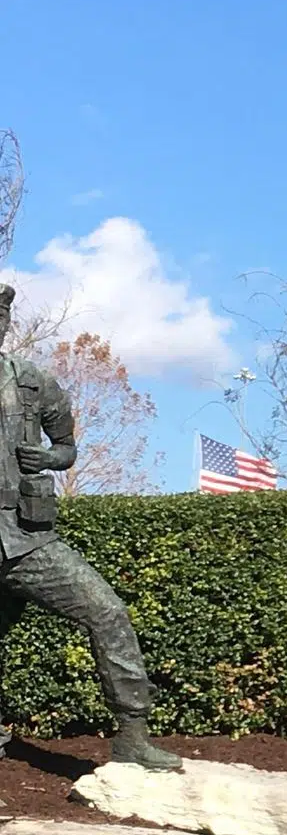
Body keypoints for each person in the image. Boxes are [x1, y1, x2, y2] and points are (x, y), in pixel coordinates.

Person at [0, 284, 180, 771]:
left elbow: (67, 447)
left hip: (28, 537)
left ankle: (132, 737)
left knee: (107, 611)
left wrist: (49, 457)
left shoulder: (34, 383)